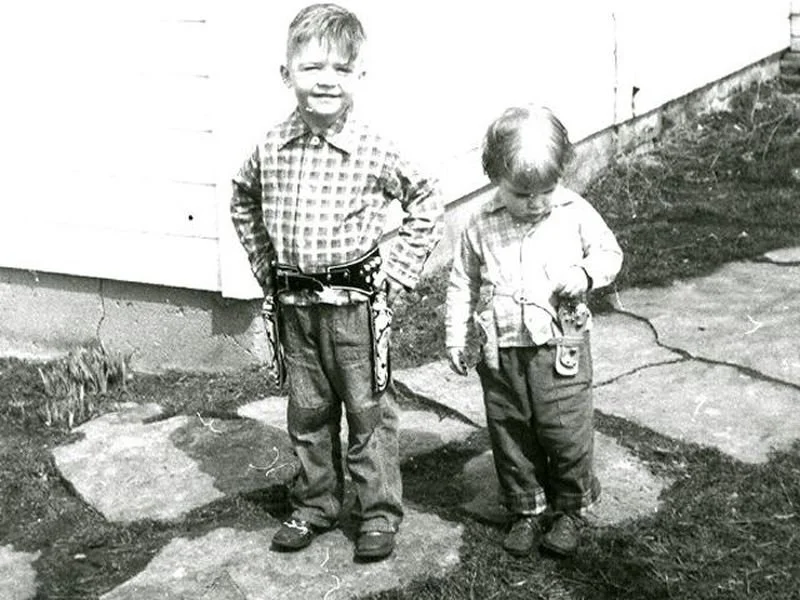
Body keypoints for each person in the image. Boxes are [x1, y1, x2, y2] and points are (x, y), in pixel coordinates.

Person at [230, 3, 443, 562]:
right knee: (307, 410)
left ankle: (377, 513)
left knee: (368, 411)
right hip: (295, 308)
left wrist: (399, 271)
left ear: (360, 75)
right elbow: (242, 199)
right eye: (312, 67)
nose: (327, 80)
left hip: (355, 310)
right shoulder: (270, 146)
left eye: (341, 69)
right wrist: (264, 265)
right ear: (286, 74)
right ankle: (315, 503)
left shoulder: (375, 146)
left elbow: (426, 201)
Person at [445, 105, 623, 558]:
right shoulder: (480, 223)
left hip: (560, 347)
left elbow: (609, 254)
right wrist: (456, 335)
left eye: (546, 190)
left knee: (566, 429)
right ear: (495, 177)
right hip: (501, 350)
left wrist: (584, 274)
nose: (536, 203)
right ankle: (526, 507)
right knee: (511, 430)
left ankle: (570, 508)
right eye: (522, 194)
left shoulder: (574, 212)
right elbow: (462, 282)